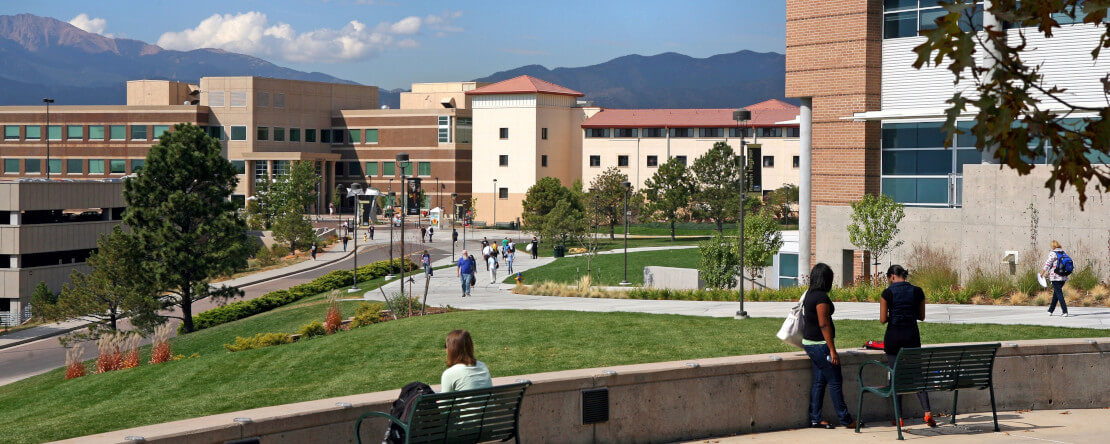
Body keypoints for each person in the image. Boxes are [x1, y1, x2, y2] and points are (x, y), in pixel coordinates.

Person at [802, 263, 855, 429]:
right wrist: (832, 350)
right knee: (835, 381)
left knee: (819, 381)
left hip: (809, 343)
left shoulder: (809, 294)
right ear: (825, 280)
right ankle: (846, 420)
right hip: (819, 345)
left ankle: (815, 418)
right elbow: (824, 324)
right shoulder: (821, 298)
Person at [880, 264, 934, 428]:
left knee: (896, 377)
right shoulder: (918, 291)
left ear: (892, 277)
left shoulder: (887, 293)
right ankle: (927, 413)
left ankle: (899, 417)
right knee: (917, 375)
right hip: (912, 336)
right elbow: (922, 316)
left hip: (894, 337)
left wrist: (893, 314)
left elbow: (883, 319)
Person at [1041, 240, 1071, 317]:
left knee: (1059, 294)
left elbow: (1048, 264)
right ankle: (1050, 310)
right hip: (1063, 276)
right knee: (1056, 294)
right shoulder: (1063, 253)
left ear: (1053, 246)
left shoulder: (1053, 253)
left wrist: (1042, 273)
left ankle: (1065, 311)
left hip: (1055, 277)